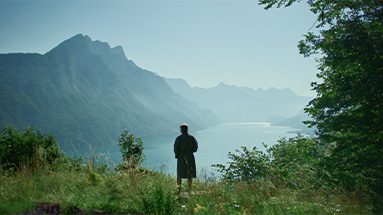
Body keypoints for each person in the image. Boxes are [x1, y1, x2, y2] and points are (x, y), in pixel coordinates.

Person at [174, 123, 198, 193]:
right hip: (190, 157)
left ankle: (179, 190)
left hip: (181, 157)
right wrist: (190, 152)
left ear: (181, 130)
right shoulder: (192, 138)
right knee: (189, 174)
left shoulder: (179, 138)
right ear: (187, 129)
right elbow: (195, 148)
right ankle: (189, 189)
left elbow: (176, 148)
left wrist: (177, 155)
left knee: (179, 174)